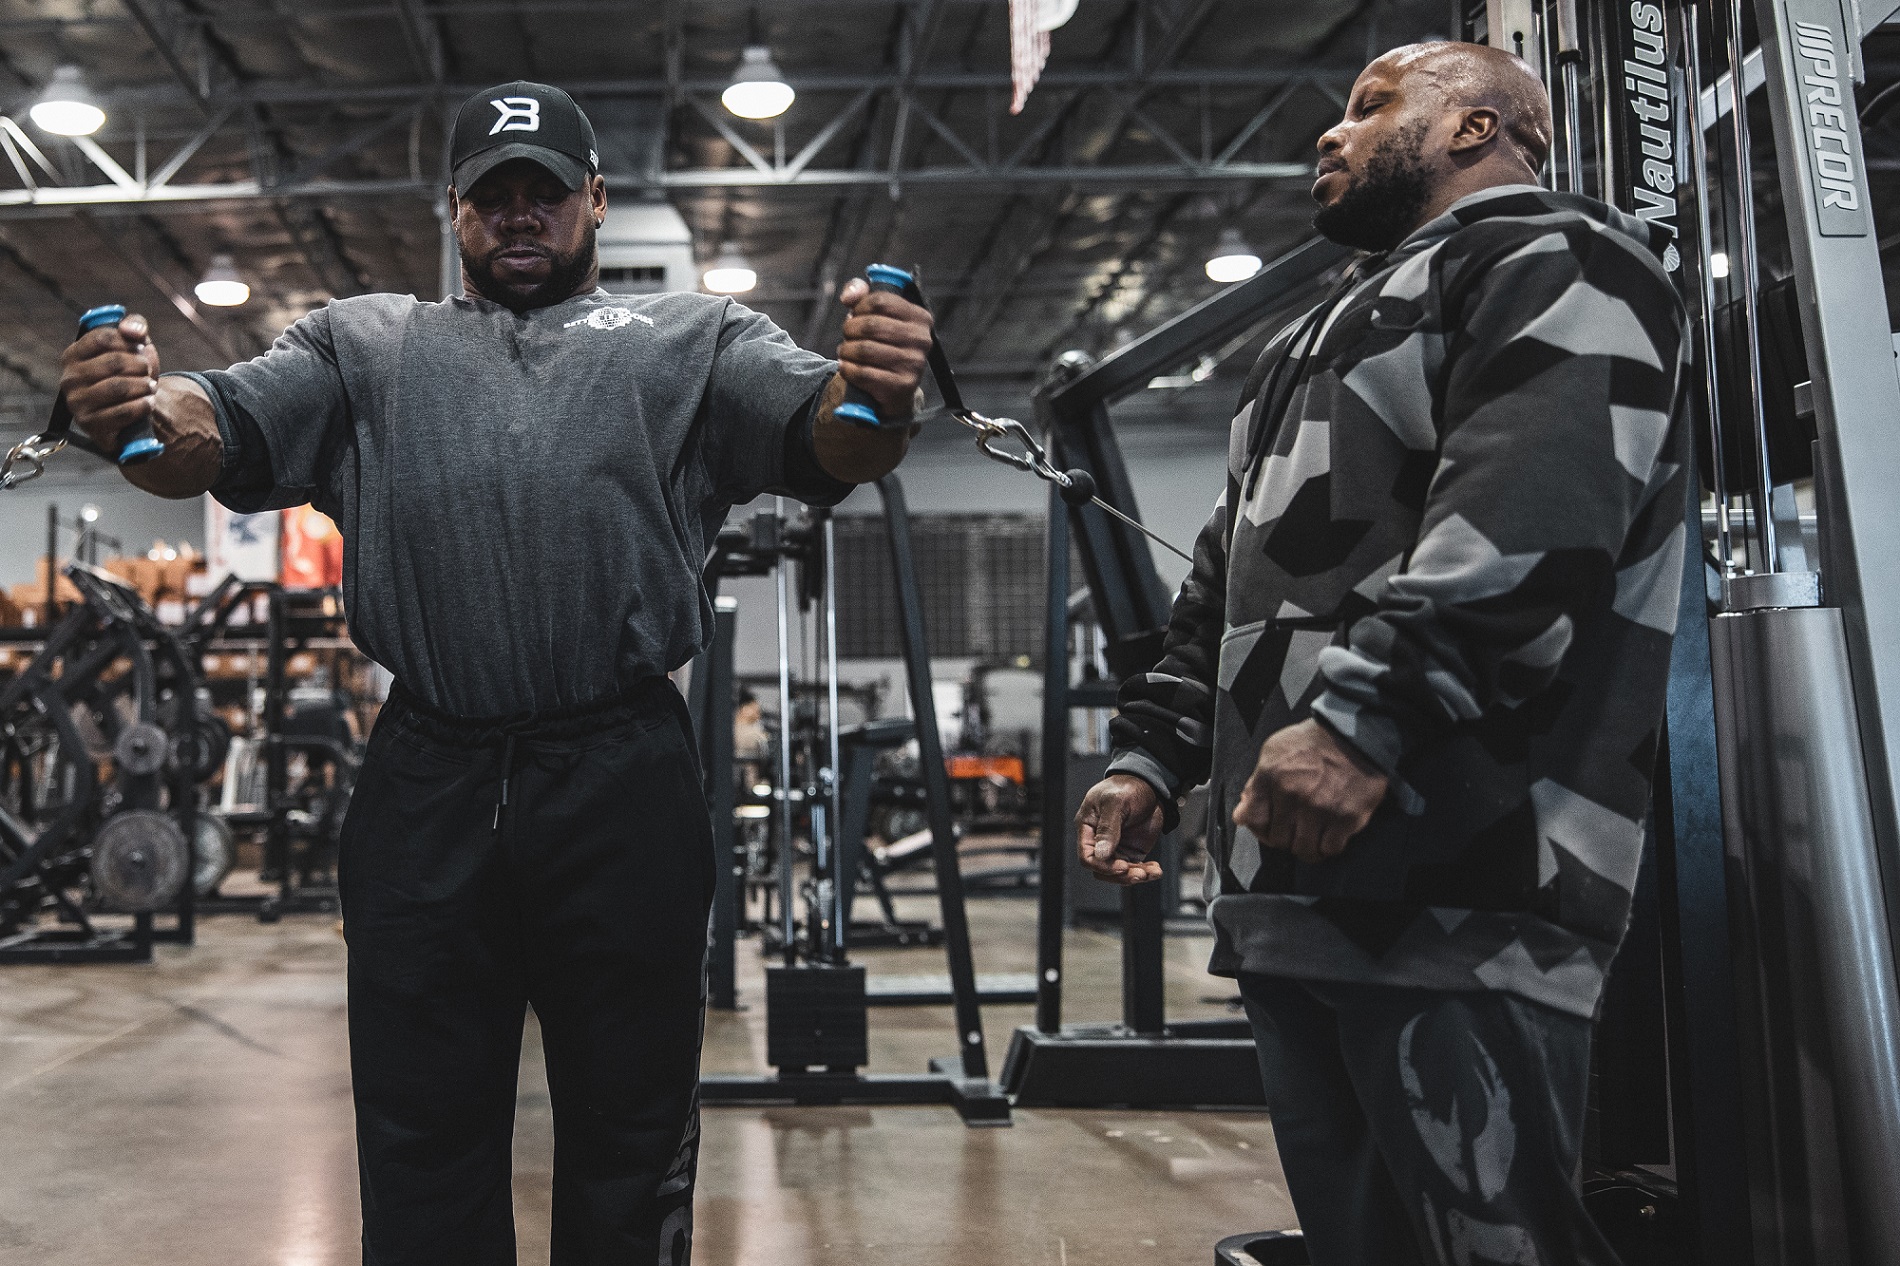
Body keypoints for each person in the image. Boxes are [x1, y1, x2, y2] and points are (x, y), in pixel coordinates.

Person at [58, 80, 934, 1266]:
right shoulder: (364, 345)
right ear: (456, 212)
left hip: (620, 772)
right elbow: (210, 428)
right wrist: (131, 407)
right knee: (421, 1137)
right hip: (431, 774)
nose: (521, 216)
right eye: (493, 197)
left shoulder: (692, 342)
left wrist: (876, 391)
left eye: (546, 194)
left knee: (632, 1134)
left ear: (596, 201)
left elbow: (827, 437)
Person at [1074, 42, 1688, 1265]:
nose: (1331, 134)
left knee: (1491, 1244)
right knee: (1360, 1242)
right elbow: (1225, 578)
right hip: (1290, 885)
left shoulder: (1557, 259)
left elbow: (1533, 522)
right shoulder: (1312, 334)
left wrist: (1364, 719)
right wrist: (1152, 755)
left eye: (1370, 107)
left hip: (1460, 869)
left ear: (1474, 128)